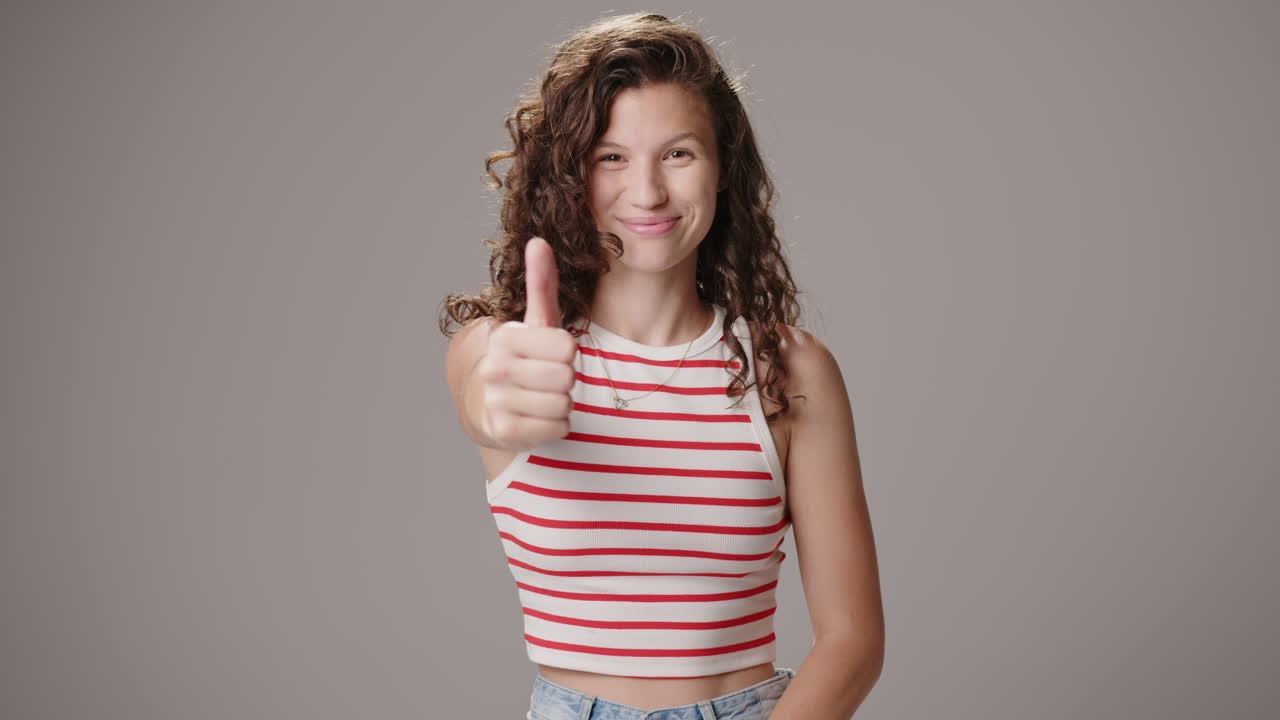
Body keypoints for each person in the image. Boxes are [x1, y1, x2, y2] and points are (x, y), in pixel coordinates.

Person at [441, 12, 883, 720]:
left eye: (678, 154)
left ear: (722, 168)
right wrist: (500, 402)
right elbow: (487, 399)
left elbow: (853, 638)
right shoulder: (507, 350)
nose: (646, 192)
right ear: (568, 173)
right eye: (611, 157)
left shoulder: (789, 371)